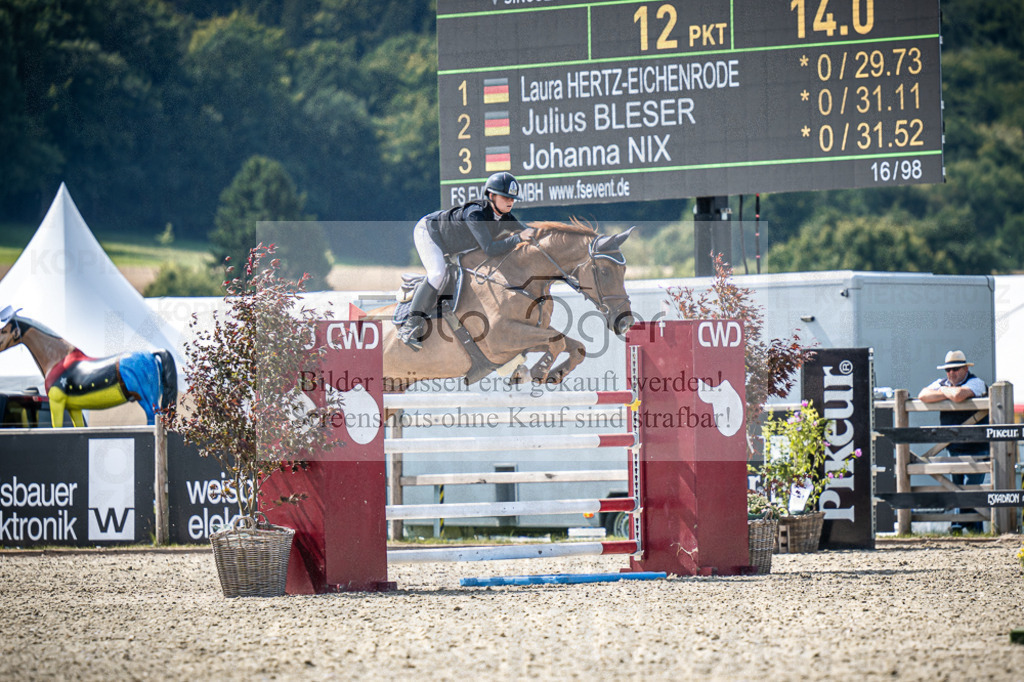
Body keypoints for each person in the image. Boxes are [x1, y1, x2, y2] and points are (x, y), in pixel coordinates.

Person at [397, 171, 536, 350]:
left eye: (512, 198)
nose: (510, 202)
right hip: (430, 232)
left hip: (451, 244)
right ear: (491, 196)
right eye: (505, 197)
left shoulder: (505, 217)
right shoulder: (475, 214)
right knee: (438, 274)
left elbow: (527, 232)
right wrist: (518, 238)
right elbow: (490, 249)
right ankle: (410, 325)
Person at [917, 350, 989, 533]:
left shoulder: (976, 382)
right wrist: (947, 392)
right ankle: (971, 529)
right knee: (957, 487)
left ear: (965, 369)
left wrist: (941, 392)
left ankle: (959, 524)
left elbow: (959, 396)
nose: (951, 373)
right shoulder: (943, 383)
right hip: (953, 446)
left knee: (971, 487)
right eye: (948, 370)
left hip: (977, 446)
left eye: (956, 369)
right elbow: (922, 395)